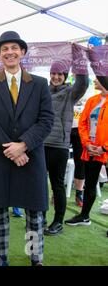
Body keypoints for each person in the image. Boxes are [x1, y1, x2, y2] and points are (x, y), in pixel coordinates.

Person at [0, 31, 54, 266]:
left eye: (14, 48)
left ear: (22, 52)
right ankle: (1, 257)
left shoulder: (40, 84)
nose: (9, 52)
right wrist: (10, 150)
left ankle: (35, 257)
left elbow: (46, 120)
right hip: (0, 158)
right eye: (4, 49)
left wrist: (22, 146)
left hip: (30, 157)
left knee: (34, 213)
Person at [43, 61, 88, 236]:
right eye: (53, 73)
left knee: (57, 185)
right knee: (38, 184)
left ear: (66, 76)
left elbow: (83, 83)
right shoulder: (43, 91)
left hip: (59, 147)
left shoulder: (70, 93)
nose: (56, 77)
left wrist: (79, 62)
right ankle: (39, 217)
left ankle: (58, 222)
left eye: (60, 74)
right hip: (40, 145)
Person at [65, 78, 107, 226]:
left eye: (99, 78)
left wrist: (104, 147)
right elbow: (82, 123)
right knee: (90, 184)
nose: (95, 80)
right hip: (91, 149)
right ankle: (84, 216)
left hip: (103, 150)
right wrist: (87, 143)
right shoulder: (92, 100)